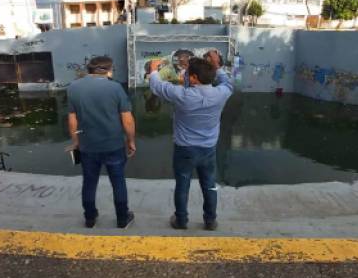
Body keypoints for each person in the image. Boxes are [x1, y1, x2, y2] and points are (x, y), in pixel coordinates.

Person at [148, 50, 233, 230]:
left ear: (194, 78)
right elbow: (228, 83)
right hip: (208, 149)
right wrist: (217, 66)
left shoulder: (181, 95)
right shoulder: (221, 93)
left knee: (182, 185)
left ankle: (181, 220)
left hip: (184, 149)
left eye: (187, 73)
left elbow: (156, 86)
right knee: (209, 185)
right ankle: (210, 221)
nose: (184, 75)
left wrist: (154, 69)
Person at [67, 56, 136, 229]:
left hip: (87, 146)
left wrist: (76, 141)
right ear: (109, 70)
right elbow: (127, 120)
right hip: (113, 145)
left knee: (89, 182)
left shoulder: (74, 87)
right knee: (118, 182)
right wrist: (131, 140)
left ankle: (90, 217)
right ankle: (122, 218)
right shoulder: (116, 88)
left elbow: (72, 120)